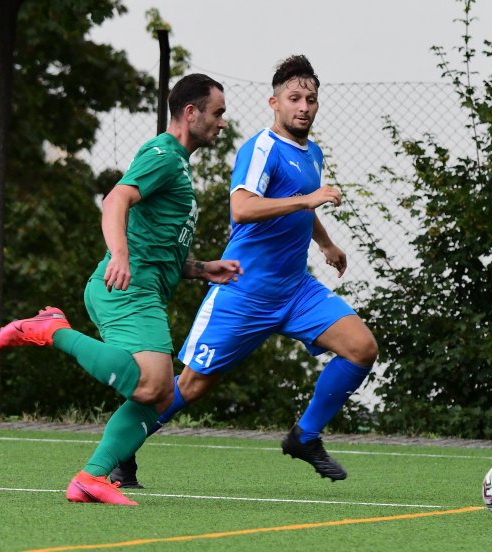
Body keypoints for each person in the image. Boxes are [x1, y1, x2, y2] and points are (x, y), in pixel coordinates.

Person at [117, 54, 378, 486]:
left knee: (361, 348)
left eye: (311, 99)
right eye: (294, 98)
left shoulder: (311, 153)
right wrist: (308, 200)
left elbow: (297, 204)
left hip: (296, 290)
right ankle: (122, 450)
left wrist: (326, 242)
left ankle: (304, 436)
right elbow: (242, 208)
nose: (304, 107)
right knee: (190, 385)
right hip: (244, 290)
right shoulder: (260, 148)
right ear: (273, 103)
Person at [0, 73, 243, 506]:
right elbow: (115, 200)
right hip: (128, 288)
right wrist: (120, 255)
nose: (223, 122)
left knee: (159, 393)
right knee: (153, 384)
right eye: (217, 112)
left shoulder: (177, 164)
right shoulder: (163, 154)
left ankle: (91, 478)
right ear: (190, 112)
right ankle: (52, 330)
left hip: (141, 287)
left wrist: (201, 268)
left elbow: (159, 245)